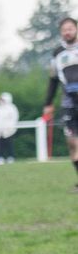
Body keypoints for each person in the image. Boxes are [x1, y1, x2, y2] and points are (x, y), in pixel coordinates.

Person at [42, 16, 78, 191]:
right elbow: (53, 80)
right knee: (72, 143)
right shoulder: (57, 54)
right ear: (61, 33)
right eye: (64, 29)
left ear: (76, 29)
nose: (68, 32)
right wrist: (48, 102)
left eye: (70, 28)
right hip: (69, 101)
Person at [0, 92, 19, 164]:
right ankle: (0, 157)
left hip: (8, 130)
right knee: (0, 145)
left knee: (9, 144)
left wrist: (10, 128)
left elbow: (14, 119)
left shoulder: (12, 108)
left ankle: (11, 157)